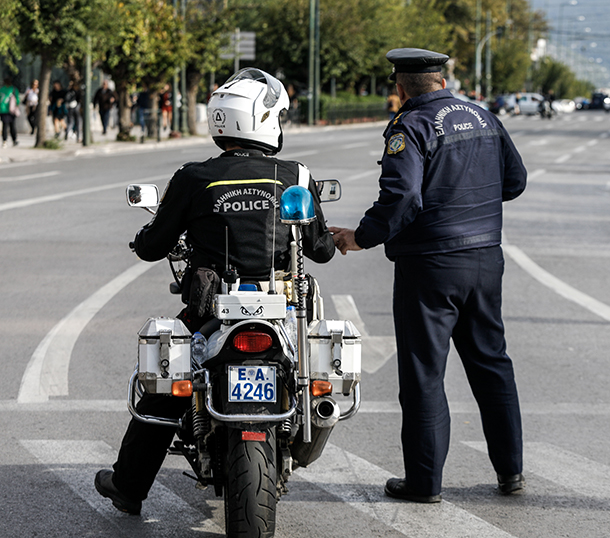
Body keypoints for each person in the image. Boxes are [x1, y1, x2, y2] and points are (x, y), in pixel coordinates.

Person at [93, 67, 336, 515]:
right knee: (311, 371)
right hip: (279, 309)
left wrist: (145, 238)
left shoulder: (192, 176)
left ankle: (129, 487)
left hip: (211, 309)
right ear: (264, 120)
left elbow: (154, 245)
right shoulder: (295, 174)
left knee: (166, 386)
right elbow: (320, 250)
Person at [329, 48, 527, 503]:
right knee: (492, 365)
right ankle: (511, 472)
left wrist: (361, 236)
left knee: (424, 375)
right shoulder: (483, 117)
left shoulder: (411, 127)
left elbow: (402, 198)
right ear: (442, 79)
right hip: (485, 259)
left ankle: (424, 483)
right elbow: (515, 182)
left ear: (400, 88)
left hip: (430, 266)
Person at [0, 77, 20, 148]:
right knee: (12, 126)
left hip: (3, 110)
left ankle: (5, 141)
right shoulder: (14, 89)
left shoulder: (1, 89)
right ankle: (14, 140)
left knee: (5, 126)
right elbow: (17, 100)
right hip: (10, 110)